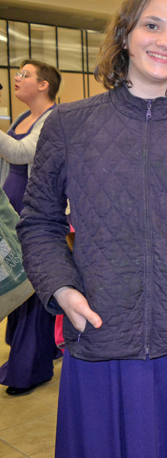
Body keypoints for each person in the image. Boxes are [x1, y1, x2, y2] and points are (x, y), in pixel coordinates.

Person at [17, 0, 167, 457]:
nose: (165, 40)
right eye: (152, 25)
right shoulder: (69, 126)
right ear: (124, 34)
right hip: (99, 332)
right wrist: (61, 289)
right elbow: (39, 223)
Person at [0, 60, 62, 397]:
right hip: (14, 213)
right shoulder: (25, 117)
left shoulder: (54, 117)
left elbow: (21, 152)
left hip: (36, 214)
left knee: (33, 290)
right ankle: (29, 358)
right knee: (20, 290)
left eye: (25, 74)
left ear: (44, 85)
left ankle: (30, 368)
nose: (16, 78)